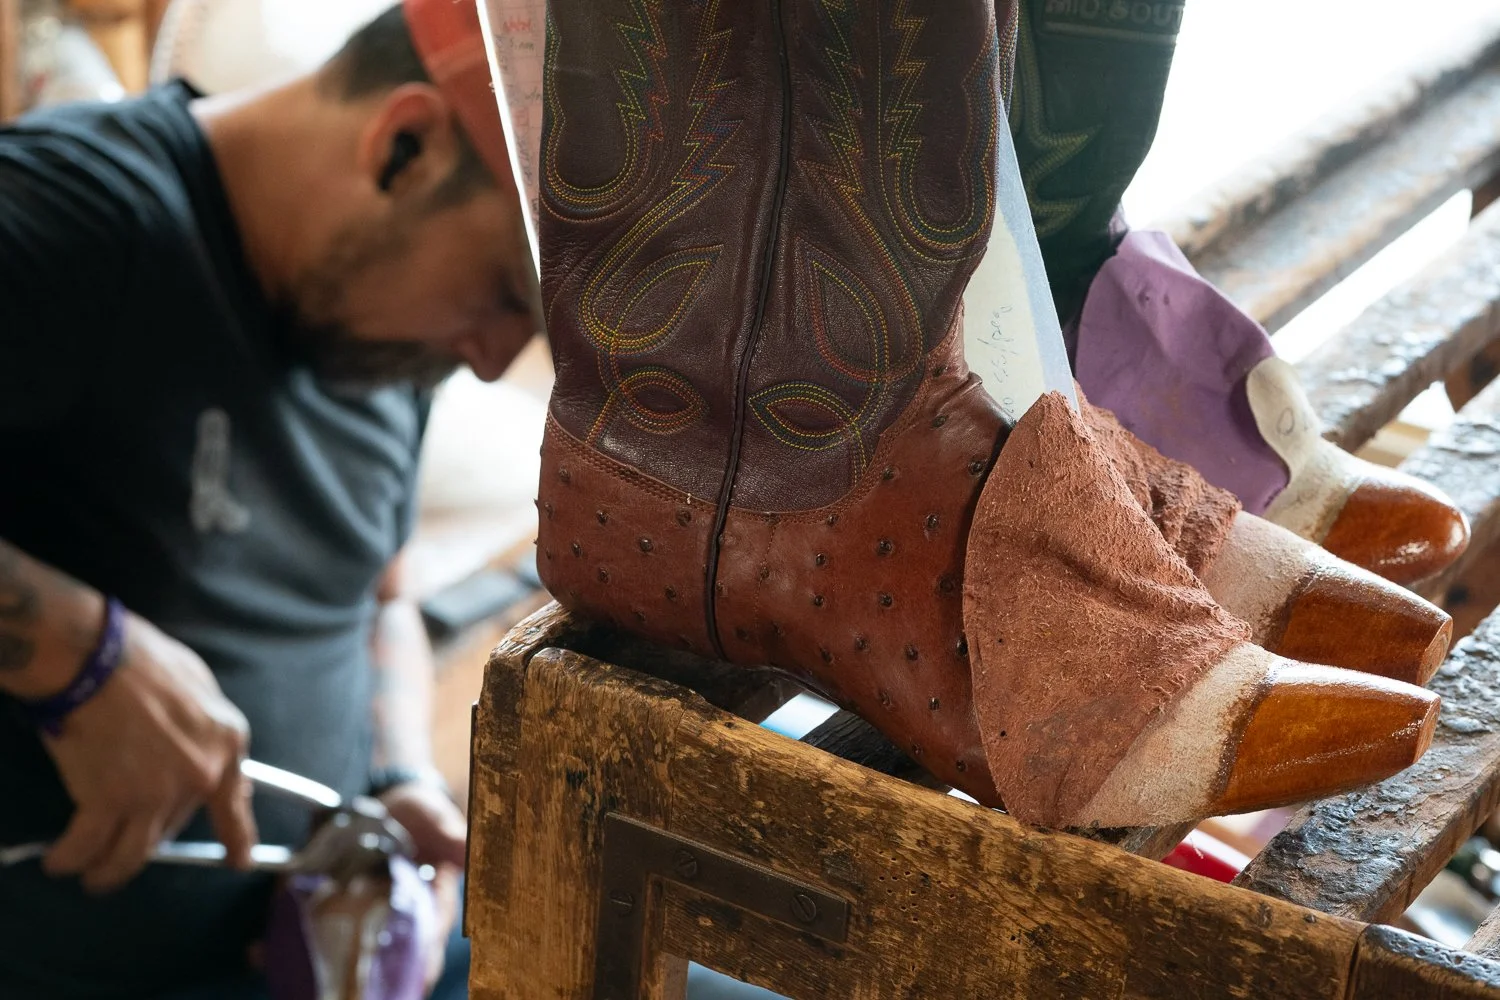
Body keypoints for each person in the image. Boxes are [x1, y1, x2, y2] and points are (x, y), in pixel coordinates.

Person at [0, 0, 537, 994]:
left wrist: (400, 777)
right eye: (507, 293)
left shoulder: (392, 352)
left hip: (324, 952)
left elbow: (381, 597)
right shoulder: (75, 216)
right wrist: (76, 652)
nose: (496, 360)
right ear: (403, 146)